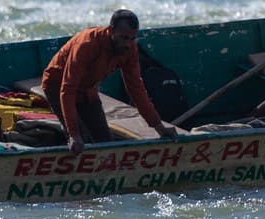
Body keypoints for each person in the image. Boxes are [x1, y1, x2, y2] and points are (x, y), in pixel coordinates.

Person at [41, 9, 178, 154]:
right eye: (124, 38)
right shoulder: (87, 44)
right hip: (57, 87)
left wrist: (158, 126)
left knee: (106, 143)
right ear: (111, 30)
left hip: (88, 90)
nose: (128, 44)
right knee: (80, 141)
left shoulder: (130, 49)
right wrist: (73, 134)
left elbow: (136, 89)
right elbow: (67, 89)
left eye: (132, 38)